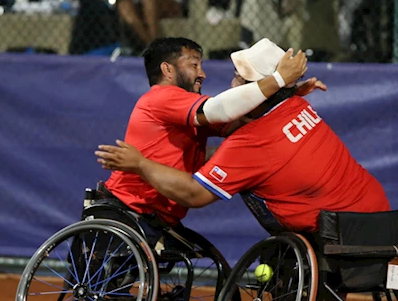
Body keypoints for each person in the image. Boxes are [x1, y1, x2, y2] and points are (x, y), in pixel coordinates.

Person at [96, 39, 390, 301]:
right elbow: (233, 111)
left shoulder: (250, 141)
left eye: (239, 77)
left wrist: (140, 164)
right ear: (167, 69)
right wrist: (286, 89)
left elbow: (202, 175)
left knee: (284, 251)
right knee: (311, 235)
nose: (208, 75)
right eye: (194, 65)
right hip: (378, 222)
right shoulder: (297, 108)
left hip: (329, 235)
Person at [97, 37, 310, 239]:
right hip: (129, 211)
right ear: (168, 69)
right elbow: (221, 109)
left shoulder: (185, 109)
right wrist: (278, 80)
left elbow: (241, 121)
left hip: (156, 217)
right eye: (194, 65)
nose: (203, 74)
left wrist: (286, 95)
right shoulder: (161, 97)